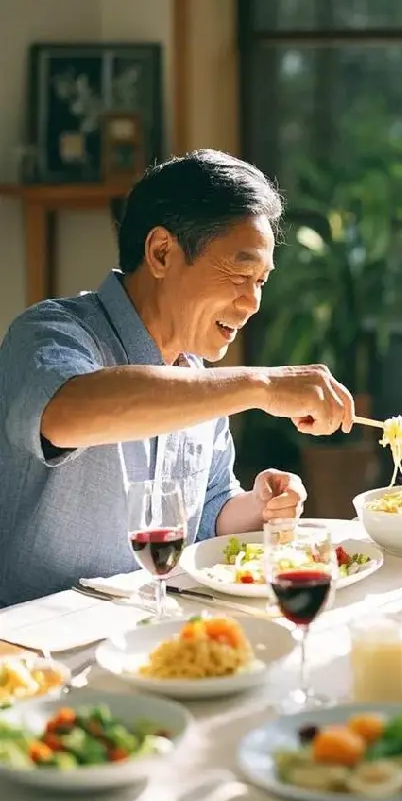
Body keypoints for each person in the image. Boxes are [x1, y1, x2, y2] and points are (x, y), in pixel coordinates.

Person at [0, 149, 354, 607]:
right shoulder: (48, 332)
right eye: (241, 273)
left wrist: (257, 506)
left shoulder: (198, 382)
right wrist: (261, 386)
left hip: (149, 635)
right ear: (162, 252)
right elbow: (67, 413)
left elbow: (209, 512)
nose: (252, 303)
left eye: (261, 281)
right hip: (32, 651)